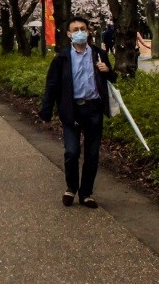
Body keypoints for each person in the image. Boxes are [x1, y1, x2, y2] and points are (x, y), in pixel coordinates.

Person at [38, 16, 116, 208]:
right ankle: (71, 187)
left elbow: (113, 78)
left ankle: (86, 193)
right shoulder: (62, 57)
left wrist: (107, 71)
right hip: (71, 110)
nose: (80, 32)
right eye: (76, 29)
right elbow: (52, 85)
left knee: (92, 154)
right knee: (72, 151)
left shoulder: (98, 54)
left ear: (88, 31)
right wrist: (46, 113)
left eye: (83, 28)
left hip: (94, 109)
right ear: (69, 34)